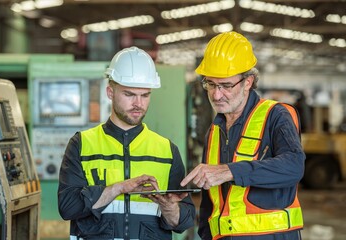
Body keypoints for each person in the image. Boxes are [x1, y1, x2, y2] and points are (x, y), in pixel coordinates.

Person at [58, 46, 196, 240]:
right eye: (129, 94)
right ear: (110, 92)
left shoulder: (166, 150)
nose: (138, 103)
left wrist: (169, 208)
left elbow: (184, 222)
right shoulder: (82, 144)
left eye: (145, 95)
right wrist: (118, 188)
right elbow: (68, 208)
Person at [181, 31, 305, 240]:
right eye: (211, 84)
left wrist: (230, 171)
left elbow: (294, 166)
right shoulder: (214, 132)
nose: (216, 95)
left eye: (226, 85)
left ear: (248, 81)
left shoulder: (276, 115)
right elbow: (210, 206)